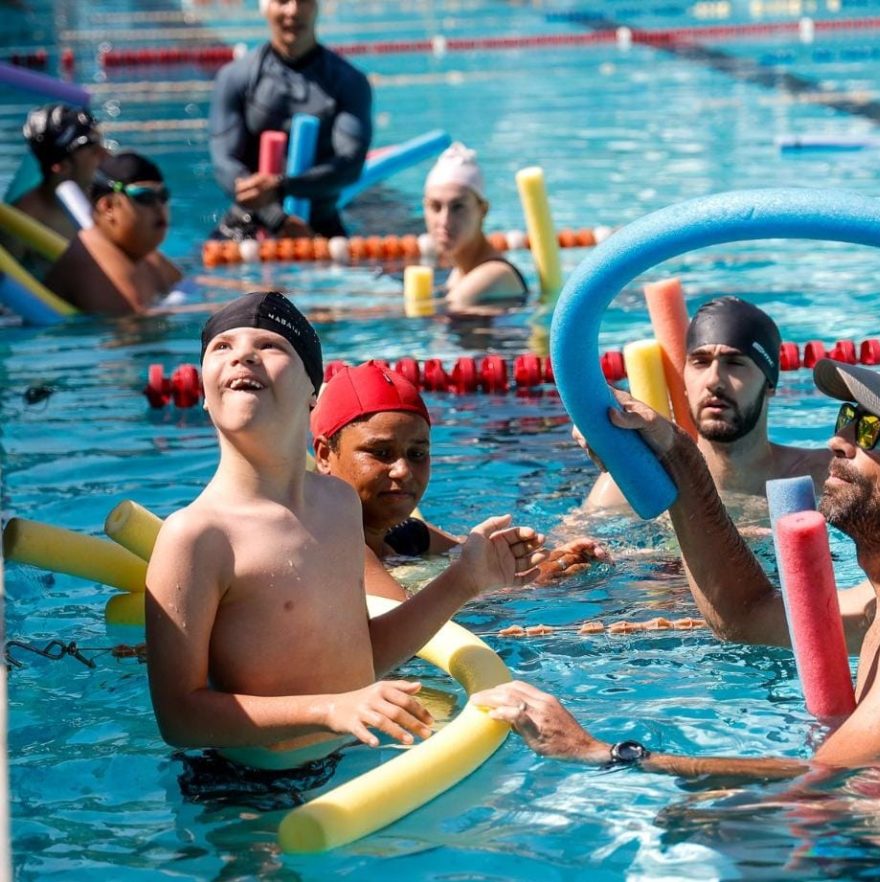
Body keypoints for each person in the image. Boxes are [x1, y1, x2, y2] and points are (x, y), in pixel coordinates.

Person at [476, 359, 880, 781]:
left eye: (871, 431)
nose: (838, 442)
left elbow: (824, 776)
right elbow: (746, 617)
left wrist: (602, 753)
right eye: (844, 419)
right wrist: (679, 456)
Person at [145, 291, 548, 769]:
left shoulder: (337, 505)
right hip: (250, 794)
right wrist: (330, 709)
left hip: (356, 753)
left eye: (269, 346)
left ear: (311, 392)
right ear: (207, 397)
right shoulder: (195, 537)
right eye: (222, 347)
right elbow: (178, 719)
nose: (243, 354)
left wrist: (464, 579)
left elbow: (360, 664)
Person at [310, 361, 608, 601]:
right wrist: (511, 588)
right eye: (381, 453)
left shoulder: (404, 535)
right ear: (324, 455)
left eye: (417, 453)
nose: (403, 470)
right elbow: (402, 626)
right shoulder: (328, 540)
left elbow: (476, 558)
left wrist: (553, 559)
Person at [583, 297, 830, 511]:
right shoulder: (640, 481)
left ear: (769, 384)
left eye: (734, 363)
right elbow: (567, 551)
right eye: (700, 362)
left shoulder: (821, 477)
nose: (713, 380)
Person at [208, 0, 372, 239]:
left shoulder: (349, 82)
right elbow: (224, 163)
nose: (293, 11)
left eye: (304, 1)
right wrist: (276, 218)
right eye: (283, 1)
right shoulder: (236, 77)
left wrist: (281, 187)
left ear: (317, 6)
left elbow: (350, 165)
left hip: (319, 225)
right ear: (266, 8)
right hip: (248, 222)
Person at [43, 152, 182, 315]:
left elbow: (187, 285)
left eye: (163, 196)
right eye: (145, 197)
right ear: (108, 207)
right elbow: (134, 326)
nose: (159, 207)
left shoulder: (140, 251)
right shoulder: (92, 262)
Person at [423, 143, 529, 310]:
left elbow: (430, 313)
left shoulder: (495, 274)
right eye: (435, 207)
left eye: (458, 207)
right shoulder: (459, 273)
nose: (444, 221)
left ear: (482, 210)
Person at [4, 104, 108, 271]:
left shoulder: (105, 200)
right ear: (61, 166)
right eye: (94, 151)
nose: (106, 154)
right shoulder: (22, 224)